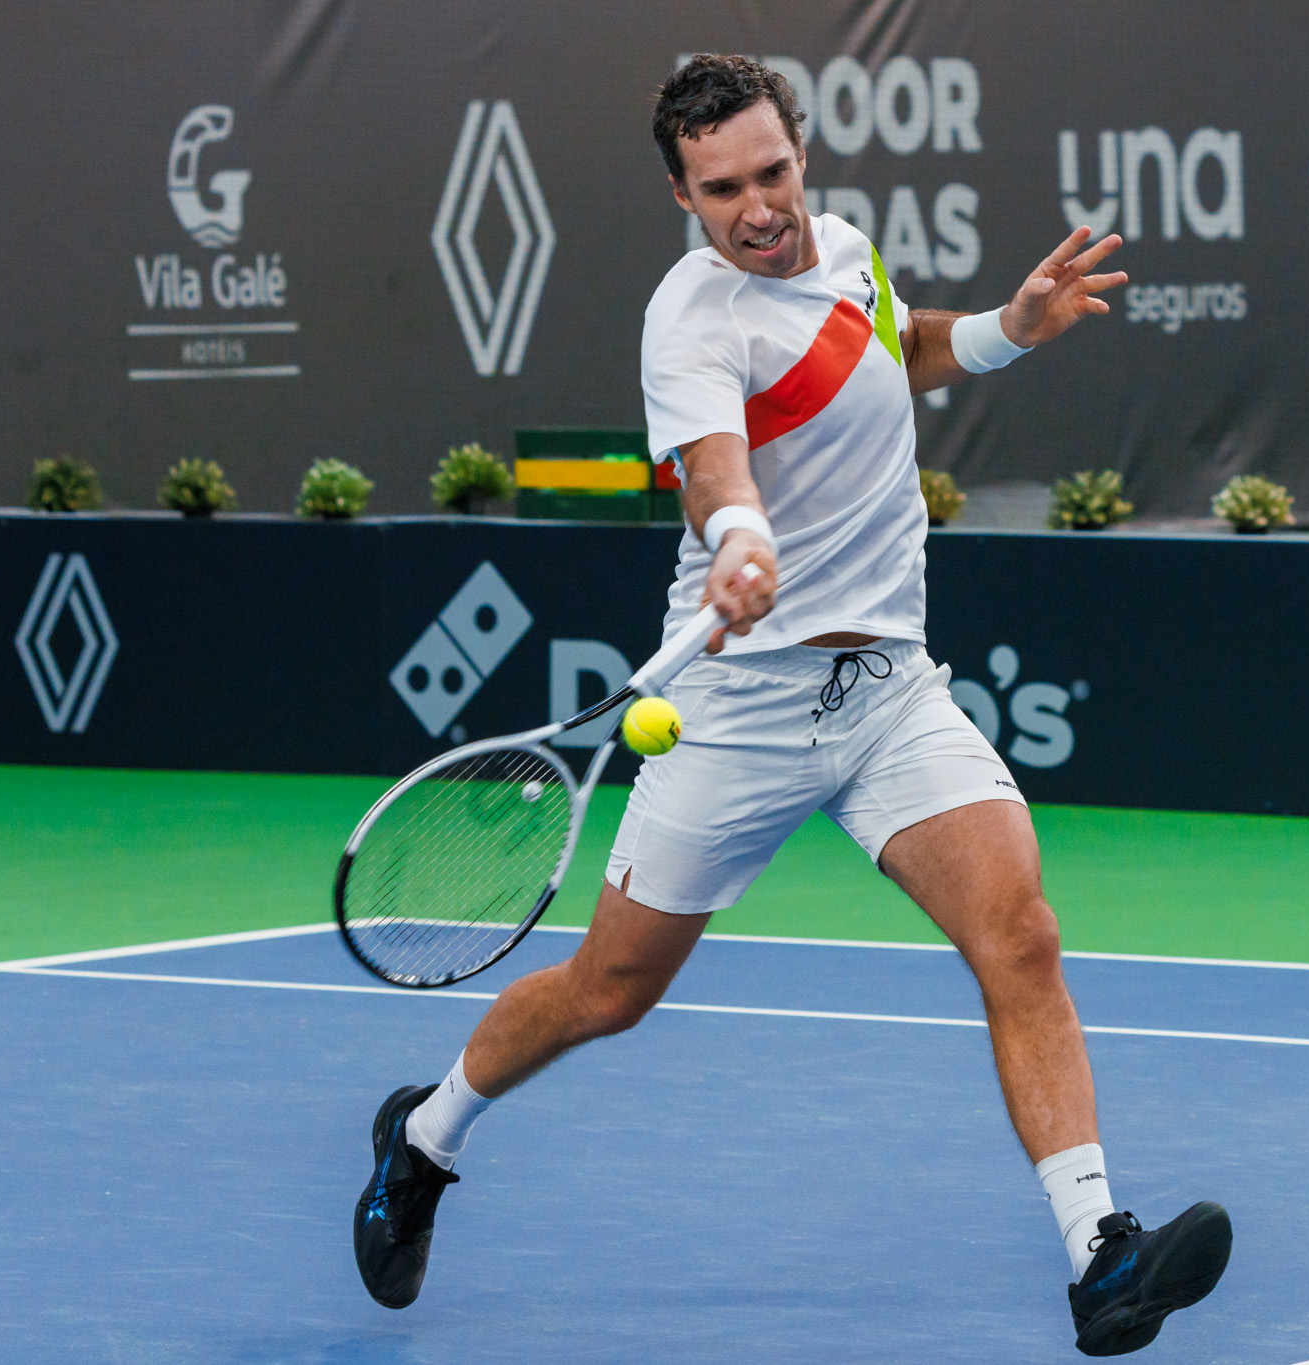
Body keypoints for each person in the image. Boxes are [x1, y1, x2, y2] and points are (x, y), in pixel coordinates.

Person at [355, 53, 1231, 1356]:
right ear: (681, 195)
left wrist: (1006, 329)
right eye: (724, 190)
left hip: (887, 688)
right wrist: (741, 539)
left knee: (1022, 935)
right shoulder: (691, 321)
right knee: (609, 990)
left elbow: (900, 349)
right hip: (735, 705)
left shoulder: (850, 251)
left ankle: (1101, 1257)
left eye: (773, 172)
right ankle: (423, 1136)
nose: (758, 207)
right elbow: (714, 464)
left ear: (800, 152)